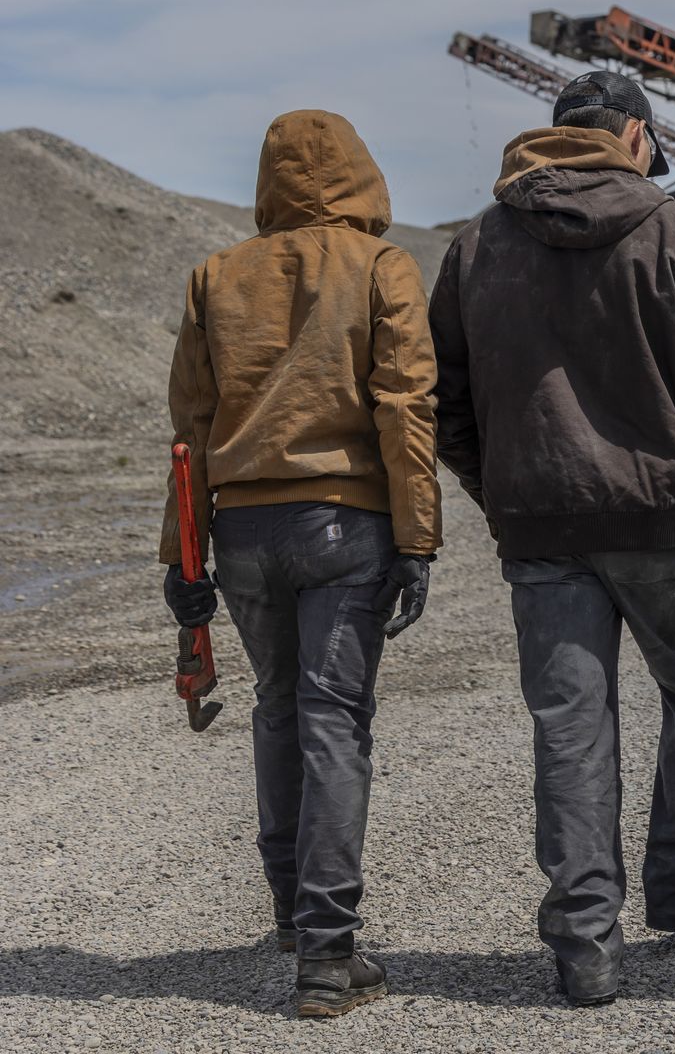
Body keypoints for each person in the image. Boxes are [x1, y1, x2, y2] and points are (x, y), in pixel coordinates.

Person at [429, 71, 675, 1007]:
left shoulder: (478, 247)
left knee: (570, 729)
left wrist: (502, 491)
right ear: (636, 135)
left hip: (539, 531)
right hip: (659, 521)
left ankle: (585, 946)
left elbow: (447, 403)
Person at [159, 109, 440, 1019]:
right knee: (333, 722)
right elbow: (405, 403)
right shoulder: (381, 267)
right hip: (345, 524)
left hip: (242, 532)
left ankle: (290, 912)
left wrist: (183, 560)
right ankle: (327, 954)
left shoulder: (217, 277)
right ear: (362, 172)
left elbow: (191, 432)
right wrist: (417, 537)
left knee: (279, 710)